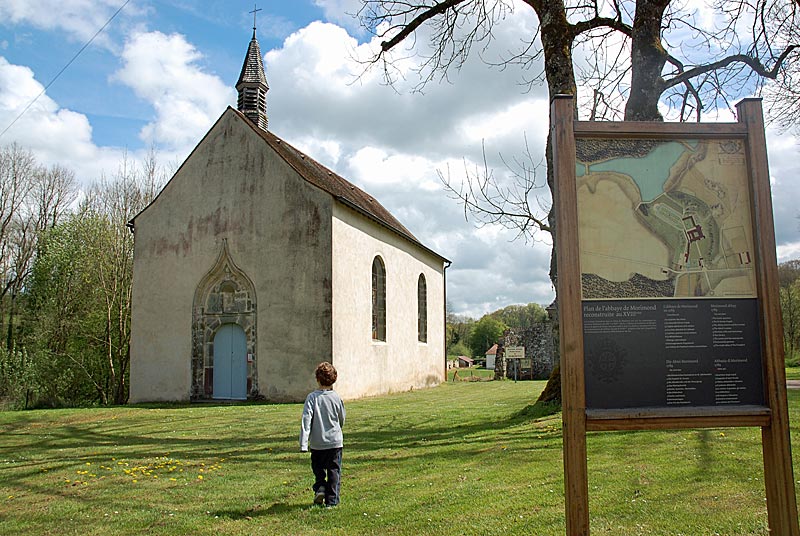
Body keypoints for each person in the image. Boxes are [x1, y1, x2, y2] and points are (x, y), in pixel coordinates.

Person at [299, 361, 346, 507]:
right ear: (334, 379)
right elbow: (342, 418)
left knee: (318, 468)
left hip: (318, 444)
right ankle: (331, 502)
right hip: (334, 442)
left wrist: (303, 443)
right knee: (334, 472)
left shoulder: (312, 398)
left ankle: (320, 486)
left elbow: (306, 420)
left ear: (317, 379)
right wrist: (338, 428)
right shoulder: (336, 398)